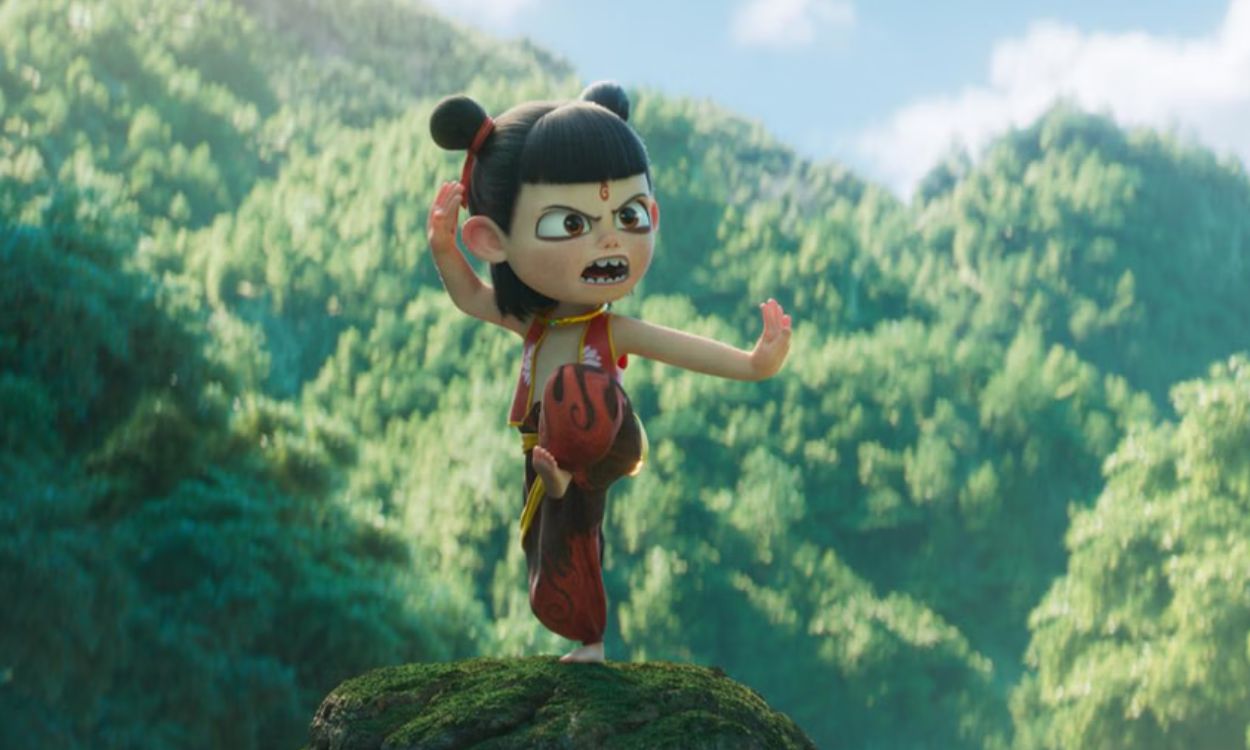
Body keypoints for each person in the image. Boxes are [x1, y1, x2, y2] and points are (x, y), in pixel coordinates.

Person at [427, 81, 792, 663]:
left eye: (628, 215)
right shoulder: (535, 325)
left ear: (652, 214)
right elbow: (472, 297)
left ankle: (590, 620)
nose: (608, 240)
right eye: (570, 225)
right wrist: (445, 250)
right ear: (491, 239)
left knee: (576, 483)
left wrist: (755, 363)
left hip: (600, 441)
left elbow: (680, 348)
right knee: (552, 552)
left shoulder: (608, 331)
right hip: (539, 448)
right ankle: (579, 619)